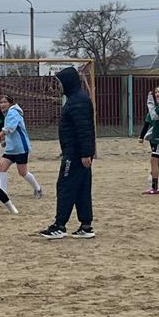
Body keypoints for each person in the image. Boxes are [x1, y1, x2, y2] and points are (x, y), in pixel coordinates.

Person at [40, 66, 96, 239]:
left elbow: (84, 129)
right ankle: (86, 226)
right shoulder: (76, 99)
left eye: (60, 83)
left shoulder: (78, 101)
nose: (58, 86)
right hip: (77, 152)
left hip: (75, 154)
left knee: (66, 187)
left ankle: (59, 226)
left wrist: (85, 153)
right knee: (81, 188)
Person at [0, 93, 43, 197]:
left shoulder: (13, 112)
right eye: (1, 102)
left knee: (22, 172)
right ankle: (3, 194)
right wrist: (5, 141)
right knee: (1, 168)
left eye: (5, 102)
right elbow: (10, 131)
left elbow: (10, 128)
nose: (2, 104)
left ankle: (38, 189)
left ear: (10, 103)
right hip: (11, 149)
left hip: (20, 148)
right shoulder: (8, 113)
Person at [137, 89, 159, 183]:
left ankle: (158, 176)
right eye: (156, 94)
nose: (157, 96)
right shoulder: (152, 112)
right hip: (153, 136)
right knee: (157, 158)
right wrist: (141, 137)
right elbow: (146, 125)